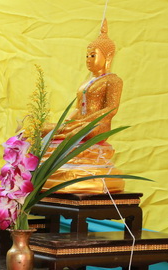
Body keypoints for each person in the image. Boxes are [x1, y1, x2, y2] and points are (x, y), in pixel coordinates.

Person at [41, 19, 126, 193]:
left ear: (108, 57)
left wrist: (85, 122)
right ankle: (56, 148)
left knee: (76, 133)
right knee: (46, 128)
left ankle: (68, 140)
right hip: (79, 122)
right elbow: (77, 108)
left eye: (93, 55)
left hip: (98, 125)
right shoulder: (86, 83)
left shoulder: (113, 80)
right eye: (87, 56)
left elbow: (111, 109)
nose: (88, 59)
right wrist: (64, 123)